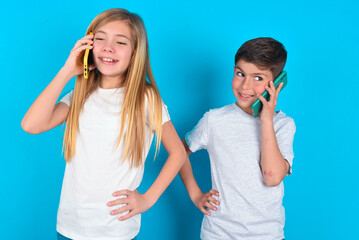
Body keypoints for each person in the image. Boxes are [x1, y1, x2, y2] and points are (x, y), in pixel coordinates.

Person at [21, 8, 186, 240]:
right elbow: (31, 125)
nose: (108, 47)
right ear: (89, 45)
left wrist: (147, 199)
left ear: (135, 52)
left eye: (120, 42)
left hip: (115, 230)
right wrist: (68, 70)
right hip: (70, 226)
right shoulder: (80, 94)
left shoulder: (145, 98)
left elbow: (178, 152)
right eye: (100, 39)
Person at [179, 37, 296, 240]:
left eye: (258, 78)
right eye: (240, 74)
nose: (245, 86)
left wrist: (266, 120)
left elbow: (272, 177)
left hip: (267, 235)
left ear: (277, 84)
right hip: (218, 234)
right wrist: (196, 194)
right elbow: (178, 152)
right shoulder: (214, 120)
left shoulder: (284, 125)